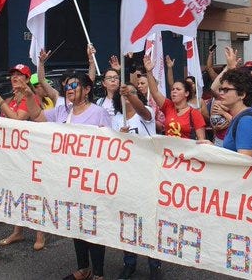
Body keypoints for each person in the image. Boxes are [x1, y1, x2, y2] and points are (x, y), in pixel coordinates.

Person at [25, 72, 111, 280]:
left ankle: (98, 273)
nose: (69, 89)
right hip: (69, 181)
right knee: (76, 224)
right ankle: (83, 268)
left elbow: (110, 147)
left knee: (92, 226)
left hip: (90, 180)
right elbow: (37, 117)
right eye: (67, 86)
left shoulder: (99, 113)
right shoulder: (63, 111)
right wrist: (28, 95)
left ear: (88, 89)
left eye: (74, 85)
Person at [0, 64, 46, 252]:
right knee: (17, 191)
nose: (15, 77)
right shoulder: (11, 99)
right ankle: (18, 230)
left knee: (34, 192)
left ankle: (40, 234)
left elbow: (18, 121)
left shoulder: (32, 99)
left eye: (19, 74)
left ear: (27, 79)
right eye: (13, 74)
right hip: (15, 154)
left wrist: (1, 103)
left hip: (31, 153)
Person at [111, 84, 162, 279]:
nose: (127, 95)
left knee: (149, 219)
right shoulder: (116, 118)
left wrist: (131, 95)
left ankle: (154, 264)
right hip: (126, 175)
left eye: (132, 91)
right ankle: (129, 262)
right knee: (128, 220)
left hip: (147, 173)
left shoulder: (145, 112)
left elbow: (143, 111)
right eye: (124, 92)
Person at [143, 55, 206, 140]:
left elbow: (202, 141)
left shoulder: (195, 114)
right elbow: (155, 92)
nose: (174, 91)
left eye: (178, 89)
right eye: (173, 89)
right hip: (168, 152)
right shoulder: (168, 106)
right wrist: (149, 72)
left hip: (186, 153)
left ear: (186, 93)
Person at [211, 68, 252, 158]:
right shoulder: (240, 117)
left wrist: (213, 150)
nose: (221, 93)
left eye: (226, 90)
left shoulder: (246, 122)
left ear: (242, 94)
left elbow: (243, 162)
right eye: (221, 89)